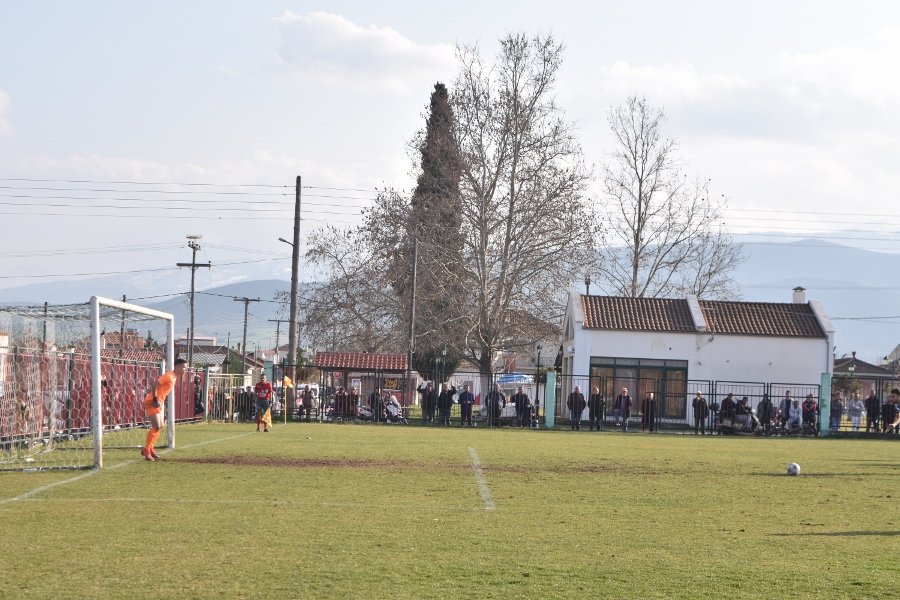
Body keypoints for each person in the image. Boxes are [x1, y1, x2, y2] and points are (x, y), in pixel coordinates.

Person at [142, 357, 187, 461]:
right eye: (184, 367)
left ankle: (150, 449)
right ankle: (146, 450)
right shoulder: (169, 376)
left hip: (159, 402)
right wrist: (155, 399)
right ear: (178, 367)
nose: (185, 369)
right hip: (153, 401)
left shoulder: (174, 376)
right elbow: (155, 385)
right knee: (156, 426)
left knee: (160, 426)